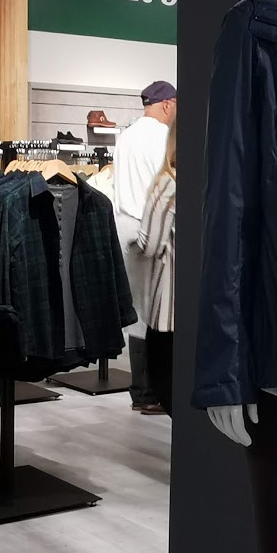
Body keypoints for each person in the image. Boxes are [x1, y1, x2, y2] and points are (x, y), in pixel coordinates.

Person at [114, 81, 176, 412]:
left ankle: (140, 390)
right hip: (151, 227)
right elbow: (164, 183)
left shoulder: (125, 135)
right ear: (167, 105)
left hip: (125, 223)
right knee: (156, 311)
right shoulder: (161, 136)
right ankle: (150, 390)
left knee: (138, 312)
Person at [137, 123, 178, 413]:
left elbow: (150, 243)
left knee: (165, 379)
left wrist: (133, 242)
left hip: (169, 303)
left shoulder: (167, 183)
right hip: (197, 302)